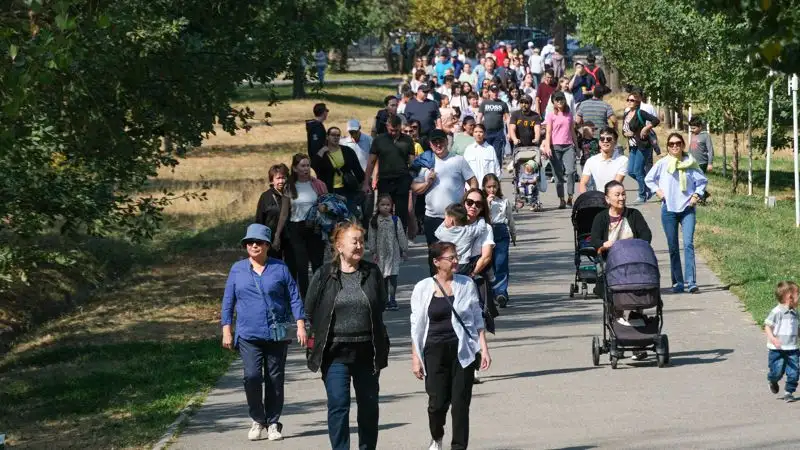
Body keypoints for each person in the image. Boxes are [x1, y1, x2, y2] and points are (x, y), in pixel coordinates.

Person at [305, 222, 390, 450]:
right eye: (355, 241)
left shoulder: (372, 272)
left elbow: (380, 304)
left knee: (369, 406)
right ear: (339, 246)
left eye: (362, 241)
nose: (359, 245)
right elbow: (311, 309)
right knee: (338, 405)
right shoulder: (324, 275)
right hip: (334, 353)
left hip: (367, 351)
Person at [221, 223, 307, 442]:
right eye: (250, 242)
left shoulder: (280, 268)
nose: (253, 245)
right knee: (251, 377)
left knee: (274, 379)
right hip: (248, 334)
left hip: (275, 335)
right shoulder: (237, 269)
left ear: (268, 245)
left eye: (258, 242)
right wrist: (226, 330)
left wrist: (300, 325)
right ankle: (258, 419)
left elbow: (294, 297)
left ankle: (273, 423)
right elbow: (228, 301)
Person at [410, 241, 492, 450]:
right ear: (437, 262)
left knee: (460, 405)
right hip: (433, 350)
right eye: (450, 258)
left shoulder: (466, 284)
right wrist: (415, 358)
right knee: (436, 404)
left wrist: (483, 348)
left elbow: (476, 318)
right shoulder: (422, 288)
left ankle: (458, 447)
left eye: (456, 257)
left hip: (462, 351)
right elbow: (416, 325)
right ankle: (437, 436)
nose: (456, 261)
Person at [589, 180, 653, 345]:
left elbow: (646, 235)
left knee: (639, 287)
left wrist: (636, 246)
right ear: (607, 199)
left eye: (623, 194)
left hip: (633, 260)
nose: (622, 198)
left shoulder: (634, 215)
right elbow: (595, 239)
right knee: (611, 292)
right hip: (610, 261)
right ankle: (616, 324)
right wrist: (603, 245)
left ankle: (637, 324)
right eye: (617, 195)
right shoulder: (600, 218)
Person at [645, 132, 708, 294]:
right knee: (673, 246)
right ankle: (678, 282)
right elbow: (649, 179)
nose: (675, 146)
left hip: (687, 208)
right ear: (667, 147)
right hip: (669, 209)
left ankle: (691, 281)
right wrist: (658, 192)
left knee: (688, 244)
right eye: (671, 144)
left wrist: (696, 195)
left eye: (678, 143)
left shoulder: (690, 162)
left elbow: (702, 181)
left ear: (682, 145)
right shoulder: (663, 163)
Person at [412, 129, 478, 246]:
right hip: (432, 217)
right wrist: (427, 183)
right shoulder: (426, 163)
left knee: (456, 253)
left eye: (441, 141)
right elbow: (414, 189)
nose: (438, 145)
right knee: (435, 254)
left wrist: (470, 203)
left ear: (447, 142)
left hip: (456, 217)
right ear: (430, 144)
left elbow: (473, 182)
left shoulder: (458, 160)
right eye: (434, 142)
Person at [283, 154, 327, 298]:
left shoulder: (318, 184)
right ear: (295, 168)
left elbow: (329, 205)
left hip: (315, 228)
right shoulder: (290, 186)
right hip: (297, 228)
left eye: (308, 165)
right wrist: (277, 235)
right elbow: (284, 213)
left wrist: (324, 207)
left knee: (317, 264)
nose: (306, 169)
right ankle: (306, 299)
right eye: (302, 166)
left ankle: (319, 296)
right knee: (301, 266)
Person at [363, 115, 415, 230]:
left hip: (402, 180)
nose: (394, 133)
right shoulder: (379, 140)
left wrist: (413, 180)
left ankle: (400, 240)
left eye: (397, 130)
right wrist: (366, 182)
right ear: (387, 127)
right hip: (385, 180)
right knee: (384, 212)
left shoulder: (407, 140)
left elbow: (412, 163)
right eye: (391, 130)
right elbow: (371, 162)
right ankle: (384, 238)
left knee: (402, 214)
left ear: (400, 127)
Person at [312, 127, 366, 217]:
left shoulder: (347, 151)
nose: (336, 137)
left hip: (347, 189)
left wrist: (365, 183)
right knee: (332, 218)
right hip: (329, 191)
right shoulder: (322, 153)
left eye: (338, 135)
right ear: (327, 137)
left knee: (350, 216)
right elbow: (314, 166)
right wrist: (322, 151)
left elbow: (358, 170)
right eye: (333, 135)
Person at [367, 194, 409, 311]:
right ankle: (384, 299)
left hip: (393, 253)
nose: (385, 207)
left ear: (391, 206)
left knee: (393, 278)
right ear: (378, 206)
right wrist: (373, 252)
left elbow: (401, 235)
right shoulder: (374, 221)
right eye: (383, 205)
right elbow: (372, 237)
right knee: (383, 278)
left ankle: (393, 299)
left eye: (388, 205)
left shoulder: (395, 220)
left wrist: (404, 250)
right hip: (381, 255)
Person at [483, 173, 515, 308]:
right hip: (486, 233)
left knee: (501, 263)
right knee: (489, 265)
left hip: (501, 232)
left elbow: (510, 218)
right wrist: (487, 203)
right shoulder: (481, 202)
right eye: (489, 187)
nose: (492, 190)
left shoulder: (503, 201)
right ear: (484, 187)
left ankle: (501, 292)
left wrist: (513, 233)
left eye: (494, 187)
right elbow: (482, 217)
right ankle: (491, 293)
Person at [541, 91, 578, 209]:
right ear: (553, 102)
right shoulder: (551, 115)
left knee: (571, 171)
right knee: (558, 174)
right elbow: (548, 132)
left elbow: (572, 131)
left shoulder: (569, 114)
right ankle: (561, 199)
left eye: (561, 99)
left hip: (568, 146)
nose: (560, 102)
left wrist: (577, 147)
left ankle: (570, 197)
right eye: (557, 100)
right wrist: (547, 146)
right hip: (555, 146)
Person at [765, 280, 800, 402]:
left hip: (792, 348)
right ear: (789, 297)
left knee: (794, 372)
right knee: (777, 371)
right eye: (798, 294)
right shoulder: (777, 312)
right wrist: (773, 338)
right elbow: (767, 326)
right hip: (777, 349)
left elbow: (796, 328)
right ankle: (772, 380)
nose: (799, 297)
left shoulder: (795, 313)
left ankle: (788, 392)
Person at [623, 91, 660, 203]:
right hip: (632, 146)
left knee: (638, 171)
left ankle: (642, 195)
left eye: (632, 100)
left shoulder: (641, 113)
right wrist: (625, 134)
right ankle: (650, 187)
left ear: (637, 102)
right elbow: (624, 130)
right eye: (628, 100)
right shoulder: (626, 114)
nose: (629, 102)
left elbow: (656, 120)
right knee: (630, 171)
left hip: (642, 145)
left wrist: (646, 128)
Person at [255, 164, 291, 259]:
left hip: (290, 238)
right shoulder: (265, 197)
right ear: (272, 180)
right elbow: (259, 220)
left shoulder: (293, 195)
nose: (281, 181)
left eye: (283, 178)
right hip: (270, 240)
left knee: (291, 268)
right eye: (278, 178)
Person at [579, 127, 629, 193]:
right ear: (599, 142)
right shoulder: (591, 161)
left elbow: (615, 184)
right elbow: (583, 183)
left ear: (615, 142)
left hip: (614, 197)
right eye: (602, 139)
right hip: (598, 198)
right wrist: (584, 200)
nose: (605, 141)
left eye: (609, 139)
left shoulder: (623, 160)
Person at [476, 84, 510, 165]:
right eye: (493, 91)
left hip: (499, 132)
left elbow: (508, 118)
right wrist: (478, 130)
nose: (495, 93)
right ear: (489, 92)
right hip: (486, 132)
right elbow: (479, 117)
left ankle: (497, 175)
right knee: (486, 154)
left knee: (498, 154)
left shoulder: (503, 104)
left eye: (496, 91)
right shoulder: (484, 103)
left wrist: (509, 132)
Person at [463, 124, 500, 188]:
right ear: (473, 134)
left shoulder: (490, 149)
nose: (478, 134)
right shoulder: (468, 149)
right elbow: (464, 170)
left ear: (484, 134)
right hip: (472, 188)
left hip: (487, 188)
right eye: (476, 132)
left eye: (481, 132)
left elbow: (497, 169)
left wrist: (494, 186)